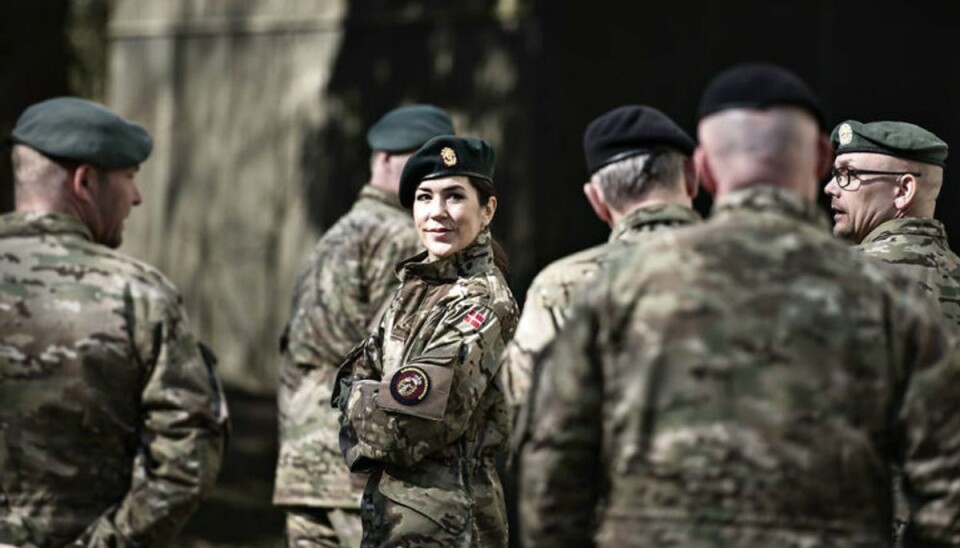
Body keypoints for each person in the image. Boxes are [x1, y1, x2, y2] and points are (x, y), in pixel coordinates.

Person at [519, 64, 960, 547]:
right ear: (817, 160)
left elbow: (552, 464)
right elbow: (945, 483)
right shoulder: (886, 298)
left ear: (701, 169)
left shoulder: (622, 286)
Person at [0, 97, 229, 546]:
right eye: (129, 178)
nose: (137, 197)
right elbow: (188, 457)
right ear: (85, 182)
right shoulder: (139, 295)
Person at [274, 104, 454, 547]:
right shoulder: (402, 238)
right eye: (423, 165)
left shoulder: (338, 233)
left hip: (302, 458)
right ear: (387, 161)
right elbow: (403, 362)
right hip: (356, 464)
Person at [333, 135, 519, 547]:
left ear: (486, 210)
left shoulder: (483, 301)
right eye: (424, 197)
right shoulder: (413, 289)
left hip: (450, 527)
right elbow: (357, 375)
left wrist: (358, 400)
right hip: (393, 520)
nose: (437, 213)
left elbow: (410, 425)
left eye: (454, 196)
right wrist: (372, 395)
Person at [500, 104, 700, 423]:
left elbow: (532, 412)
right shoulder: (749, 263)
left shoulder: (561, 285)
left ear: (597, 200)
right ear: (693, 175)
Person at [824, 120, 960, 329]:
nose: (830, 188)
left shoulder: (845, 275)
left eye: (848, 174)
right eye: (835, 174)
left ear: (904, 190)